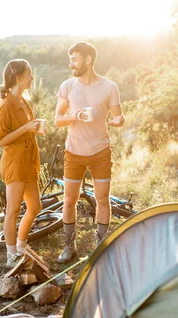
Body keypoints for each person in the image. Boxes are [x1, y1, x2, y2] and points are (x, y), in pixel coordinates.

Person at [54, 42, 125, 264]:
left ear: (88, 59)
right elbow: (57, 119)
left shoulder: (109, 87)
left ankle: (100, 247)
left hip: (100, 151)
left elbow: (119, 117)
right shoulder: (67, 86)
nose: (70, 63)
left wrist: (117, 121)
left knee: (102, 199)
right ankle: (69, 246)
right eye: (70, 59)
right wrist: (75, 116)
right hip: (74, 151)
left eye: (74, 59)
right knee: (69, 199)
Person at [0, 59, 45, 268]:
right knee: (13, 209)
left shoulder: (24, 102)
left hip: (29, 161)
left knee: (35, 206)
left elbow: (26, 129)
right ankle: (11, 254)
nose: (32, 78)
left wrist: (36, 128)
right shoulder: (6, 107)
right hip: (14, 162)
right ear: (18, 77)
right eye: (29, 74)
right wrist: (26, 129)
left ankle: (21, 245)